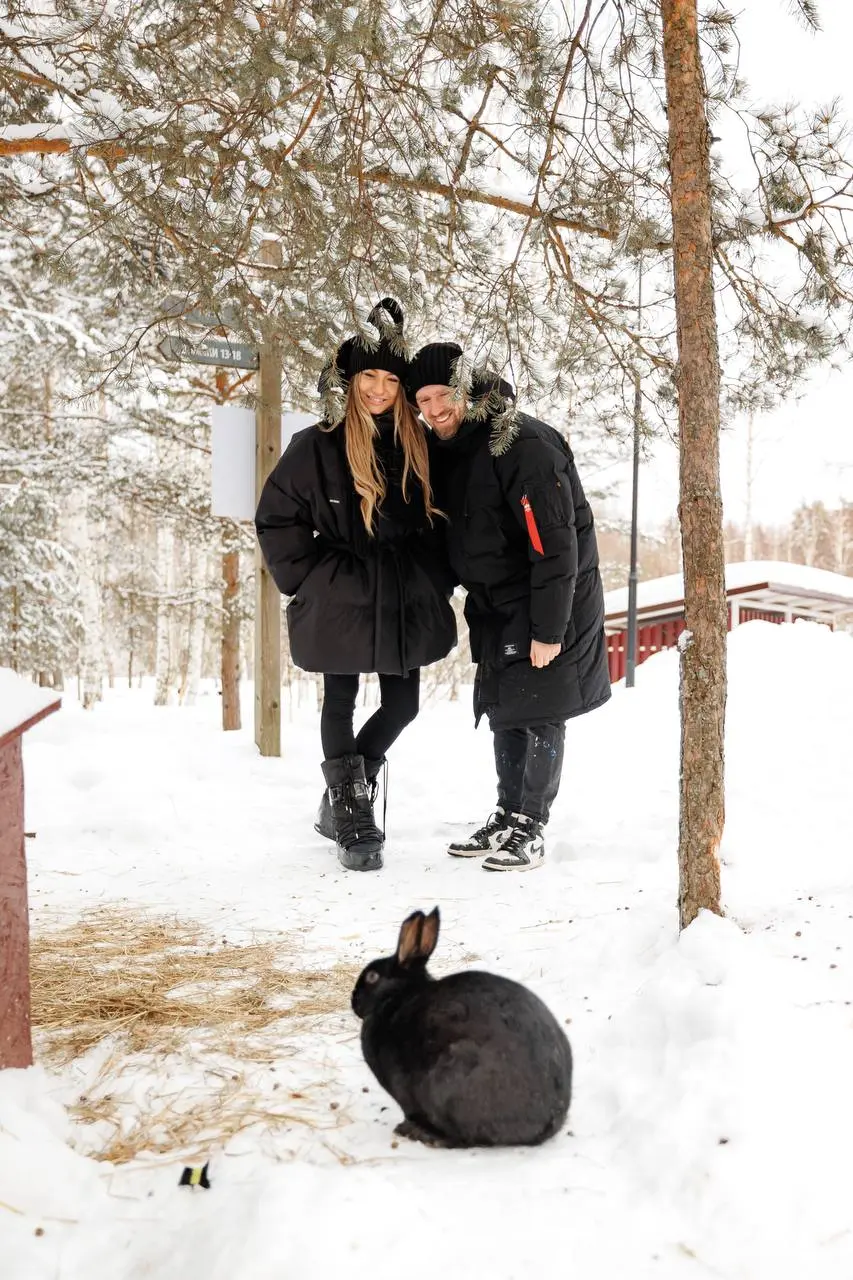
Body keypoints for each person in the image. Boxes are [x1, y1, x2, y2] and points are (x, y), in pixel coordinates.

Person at [255, 301, 456, 873]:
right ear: (350, 378)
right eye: (369, 375)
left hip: (402, 590)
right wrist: (309, 578)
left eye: (391, 379)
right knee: (339, 699)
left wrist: (433, 576)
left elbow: (440, 518)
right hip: (340, 587)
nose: (378, 388)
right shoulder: (317, 443)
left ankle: (348, 786)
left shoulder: (417, 442)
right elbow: (276, 517)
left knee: (403, 703)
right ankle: (350, 810)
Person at [407, 343, 611, 871]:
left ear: (467, 389)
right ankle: (507, 813)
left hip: (550, 596)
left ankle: (531, 824)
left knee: (540, 707)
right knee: (506, 708)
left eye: (442, 394)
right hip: (497, 602)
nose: (432, 409)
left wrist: (549, 630)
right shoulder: (453, 450)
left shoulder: (524, 443)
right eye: (422, 400)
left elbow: (555, 544)